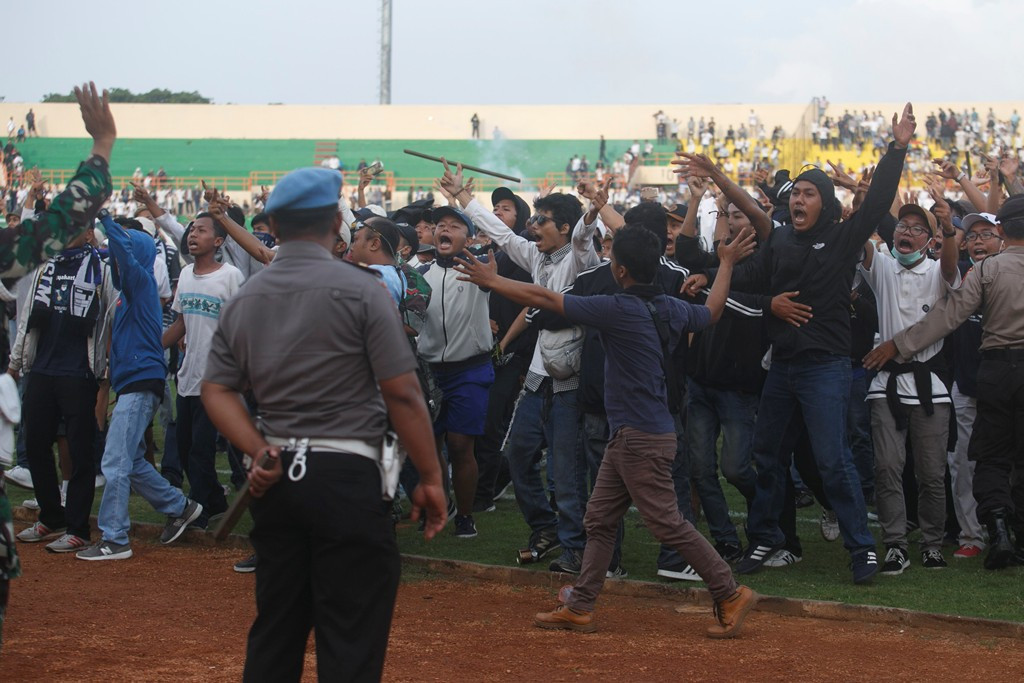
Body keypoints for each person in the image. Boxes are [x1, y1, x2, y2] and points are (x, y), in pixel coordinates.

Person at [201, 166, 446, 680]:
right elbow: (402, 392)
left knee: (276, 632)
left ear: (276, 223)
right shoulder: (362, 291)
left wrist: (256, 447)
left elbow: (217, 389)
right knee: (350, 641)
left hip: (276, 476)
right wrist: (428, 477)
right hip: (349, 479)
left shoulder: (247, 296)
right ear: (336, 220)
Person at [454, 224, 758, 639]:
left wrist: (492, 280)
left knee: (667, 522)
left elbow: (544, 298)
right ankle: (580, 605)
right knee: (598, 519)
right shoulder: (669, 307)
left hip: (639, 438)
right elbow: (714, 311)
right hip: (636, 435)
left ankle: (729, 591)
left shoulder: (616, 308)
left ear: (619, 271)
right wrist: (724, 264)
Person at [682, 102, 918, 584]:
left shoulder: (844, 236)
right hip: (782, 368)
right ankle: (767, 539)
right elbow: (747, 280)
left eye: (810, 194)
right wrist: (714, 278)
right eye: (797, 195)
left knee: (833, 461)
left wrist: (897, 148)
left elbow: (876, 204)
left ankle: (861, 548)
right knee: (766, 456)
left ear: (825, 203)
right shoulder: (781, 241)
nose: (799, 201)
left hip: (826, 368)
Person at [441, 163, 605, 572]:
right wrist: (463, 198)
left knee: (566, 472)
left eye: (542, 220)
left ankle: (574, 550)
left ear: (564, 228)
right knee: (517, 455)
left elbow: (585, 233)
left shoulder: (582, 255)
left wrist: (592, 210)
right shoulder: (536, 254)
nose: (533, 224)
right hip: (538, 374)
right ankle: (545, 529)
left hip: (572, 378)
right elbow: (499, 234)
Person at [865, 194, 1024, 571]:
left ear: (1000, 231)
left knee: (992, 457)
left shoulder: (987, 270)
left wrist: (898, 344)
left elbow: (950, 314)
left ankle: (999, 531)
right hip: (958, 375)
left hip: (998, 369)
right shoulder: (891, 267)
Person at [76, 214, 203, 560]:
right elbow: (116, 257)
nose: (118, 255)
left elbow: (124, 253)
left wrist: (104, 217)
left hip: (140, 382)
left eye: (126, 249)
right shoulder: (129, 290)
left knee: (115, 461)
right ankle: (181, 506)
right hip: (135, 382)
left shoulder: (142, 281)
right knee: (130, 461)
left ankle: (115, 538)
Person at [859, 192, 960, 575]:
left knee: (932, 472)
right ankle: (896, 544)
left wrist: (949, 229)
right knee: (887, 466)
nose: (908, 232)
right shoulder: (883, 266)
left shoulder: (936, 271)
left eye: (919, 229)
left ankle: (933, 543)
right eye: (903, 225)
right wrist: (865, 202)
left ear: (930, 241)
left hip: (929, 385)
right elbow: (863, 245)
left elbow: (951, 268)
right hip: (885, 385)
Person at [416, 204, 494, 538]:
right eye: (440, 225)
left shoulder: (480, 271)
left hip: (470, 370)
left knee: (461, 446)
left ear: (469, 236)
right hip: (430, 373)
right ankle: (441, 506)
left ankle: (465, 514)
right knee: (431, 448)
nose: (445, 229)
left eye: (454, 225)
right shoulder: (419, 276)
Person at [162, 212, 244, 527]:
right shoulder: (184, 275)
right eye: (192, 230)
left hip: (217, 380)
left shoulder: (231, 276)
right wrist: (152, 347)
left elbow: (242, 327)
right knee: (184, 449)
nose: (193, 235)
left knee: (200, 450)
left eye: (202, 230)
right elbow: (181, 323)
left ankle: (199, 512)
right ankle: (216, 501)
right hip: (187, 376)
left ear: (219, 241)